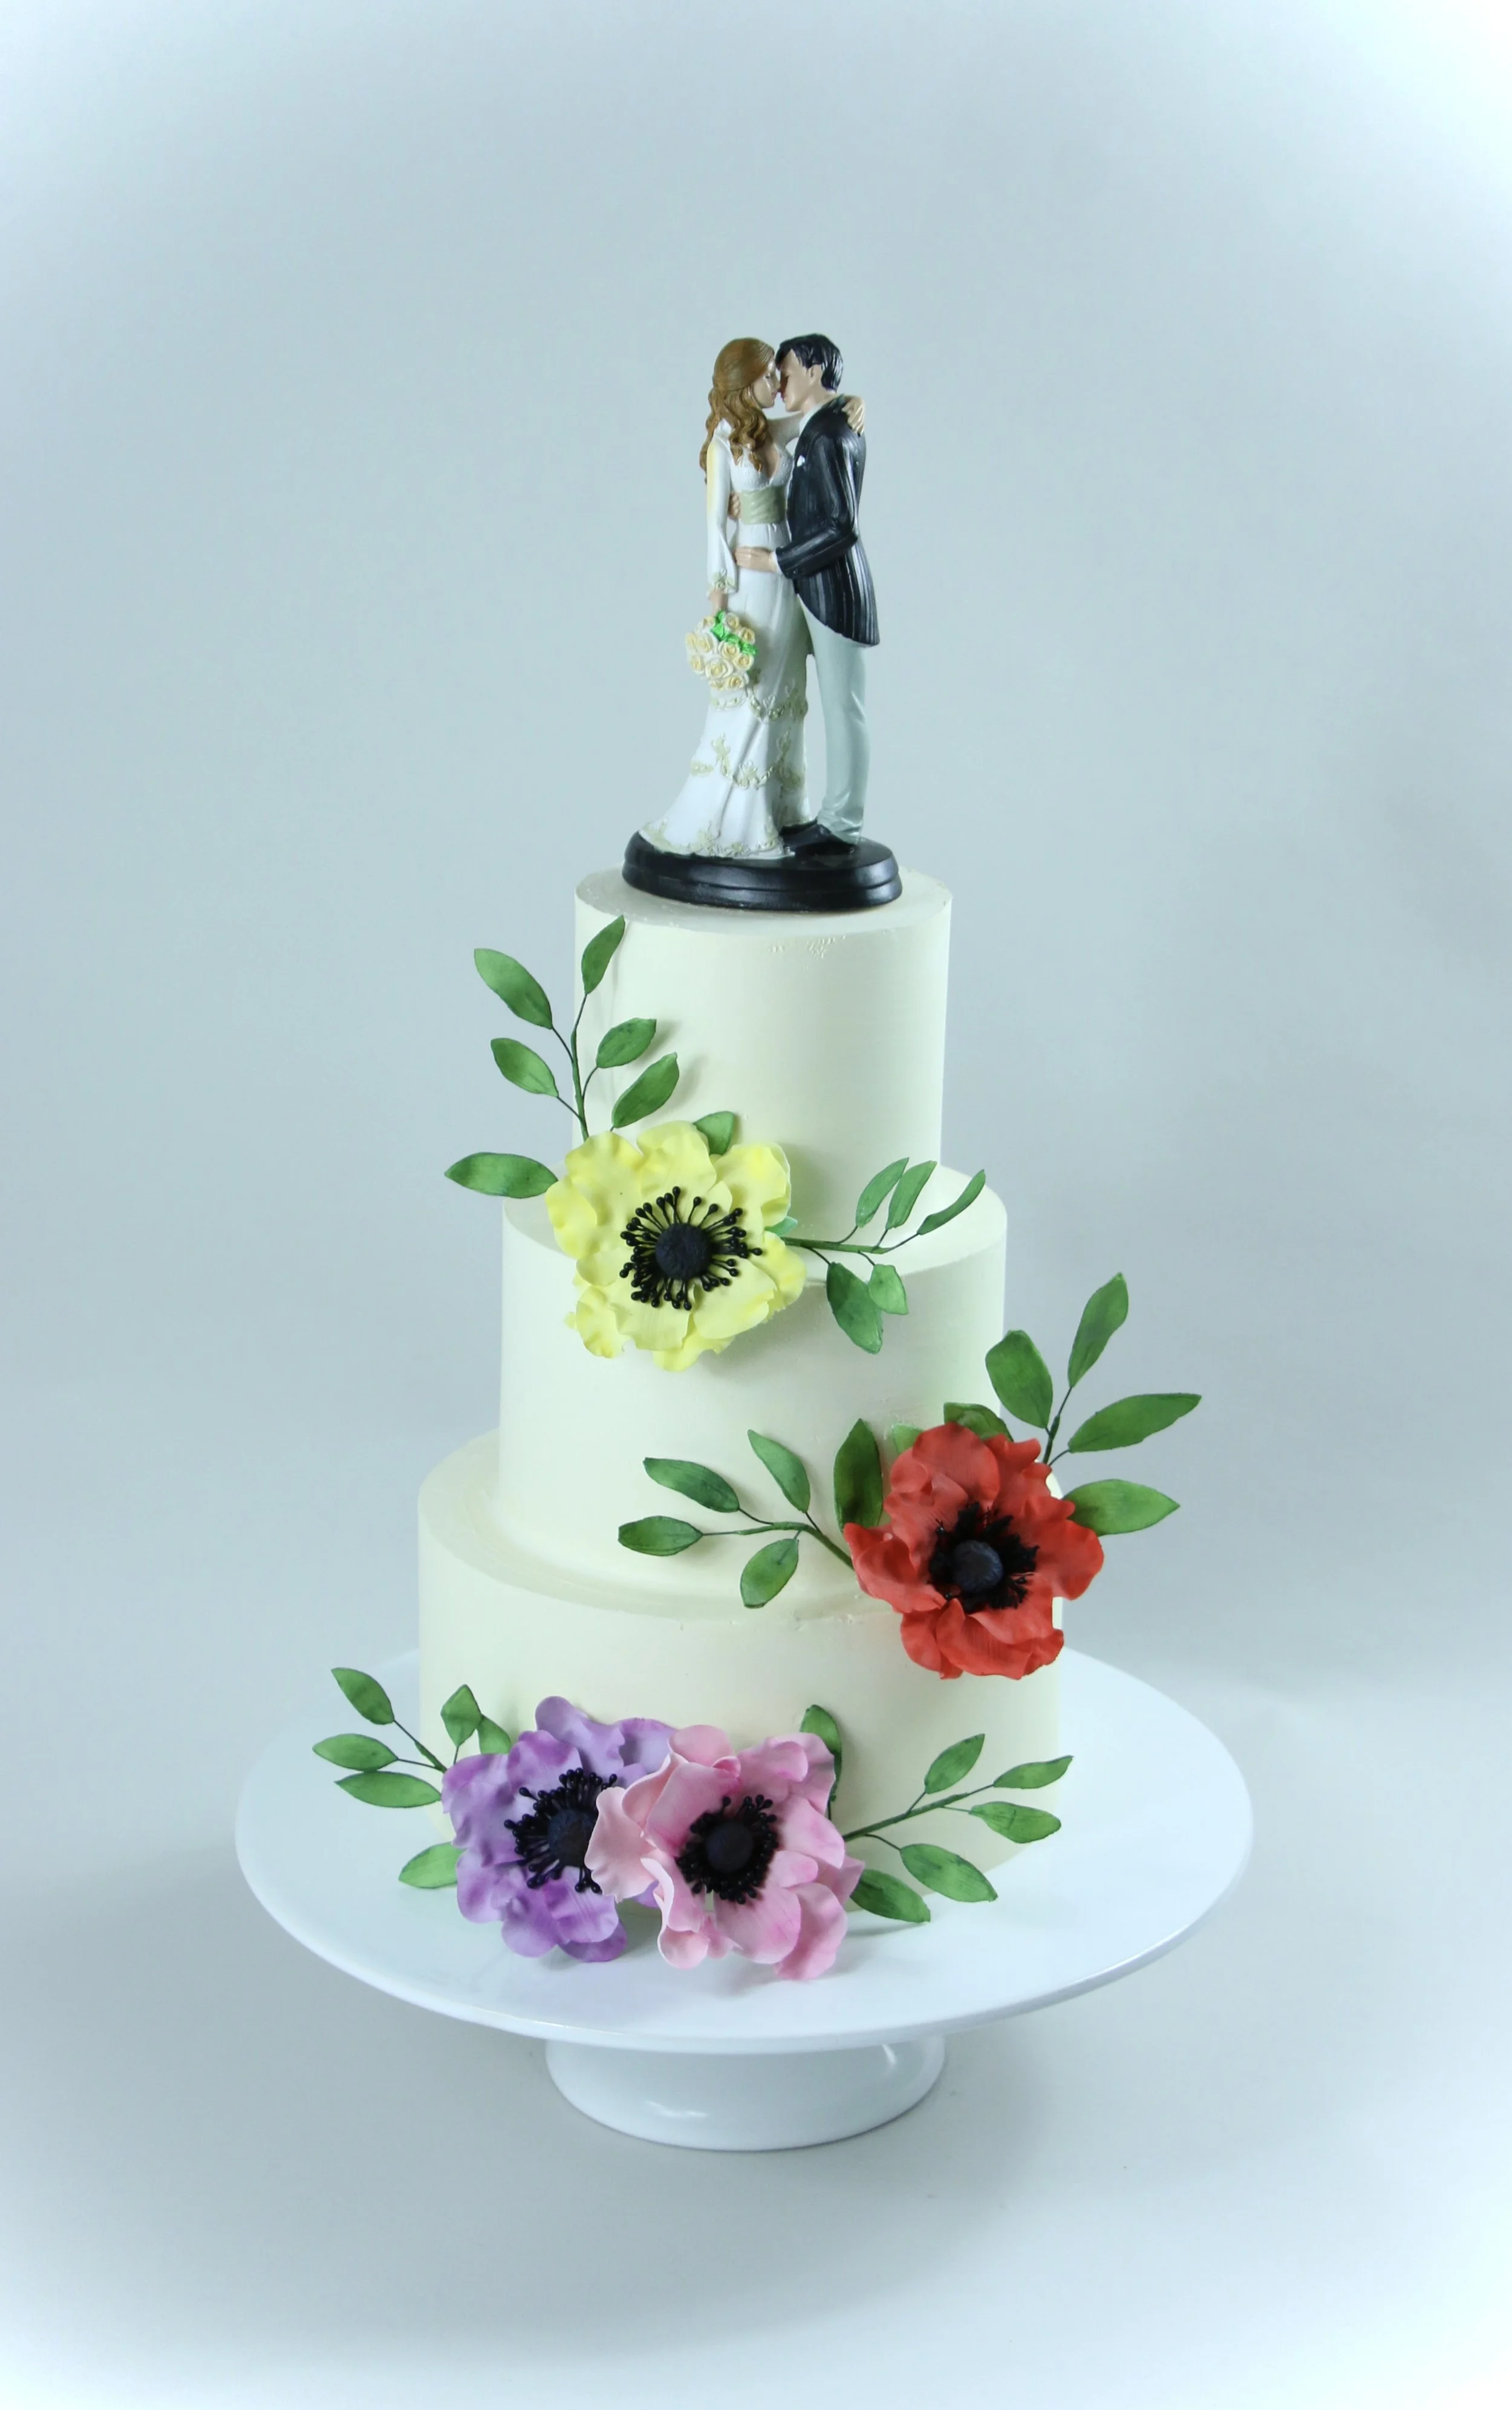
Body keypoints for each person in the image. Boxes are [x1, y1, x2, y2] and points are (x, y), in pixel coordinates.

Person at [641, 339, 862, 862]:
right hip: (750, 577)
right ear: (744, 385)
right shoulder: (722, 448)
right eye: (767, 377)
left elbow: (816, 415)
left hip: (787, 572)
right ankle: (737, 814)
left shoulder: (771, 431)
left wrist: (854, 400)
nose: (777, 384)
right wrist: (718, 613)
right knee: (753, 690)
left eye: (779, 375)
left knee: (786, 688)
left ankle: (780, 806)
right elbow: (715, 533)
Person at [732, 333, 877, 855]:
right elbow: (757, 430)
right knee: (831, 704)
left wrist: (776, 561)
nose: (780, 386)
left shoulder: (831, 434)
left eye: (787, 373)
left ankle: (841, 825)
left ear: (814, 371)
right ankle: (829, 817)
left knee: (843, 708)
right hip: (813, 589)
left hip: (834, 591)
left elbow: (841, 525)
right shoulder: (821, 424)